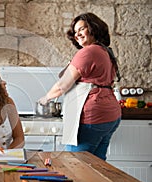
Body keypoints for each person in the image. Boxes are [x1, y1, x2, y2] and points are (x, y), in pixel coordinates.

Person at [39, 13, 121, 160]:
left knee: (76, 165)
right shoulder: (106, 52)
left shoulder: (88, 52)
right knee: (97, 165)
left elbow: (62, 85)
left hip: (92, 117)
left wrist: (44, 99)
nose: (78, 34)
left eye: (82, 29)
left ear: (93, 28)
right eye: (75, 32)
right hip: (110, 116)